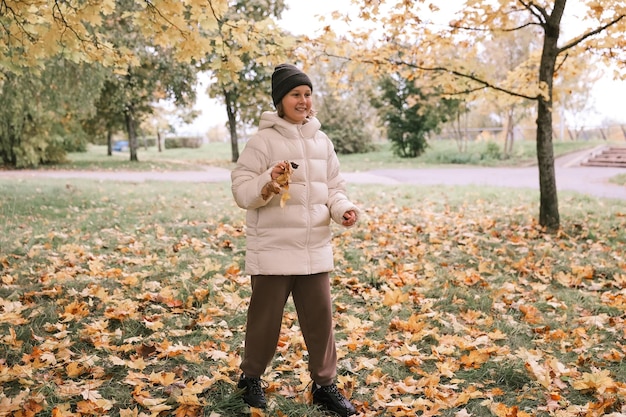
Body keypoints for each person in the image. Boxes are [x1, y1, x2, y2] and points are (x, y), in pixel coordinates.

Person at [231, 63, 359, 417]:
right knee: (264, 320)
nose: (303, 101)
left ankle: (324, 386)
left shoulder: (322, 140)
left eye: (307, 94)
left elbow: (334, 188)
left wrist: (343, 209)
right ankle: (250, 379)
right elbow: (242, 191)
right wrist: (268, 182)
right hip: (273, 249)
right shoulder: (263, 141)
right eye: (295, 95)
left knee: (321, 320)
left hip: (314, 247)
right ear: (280, 101)